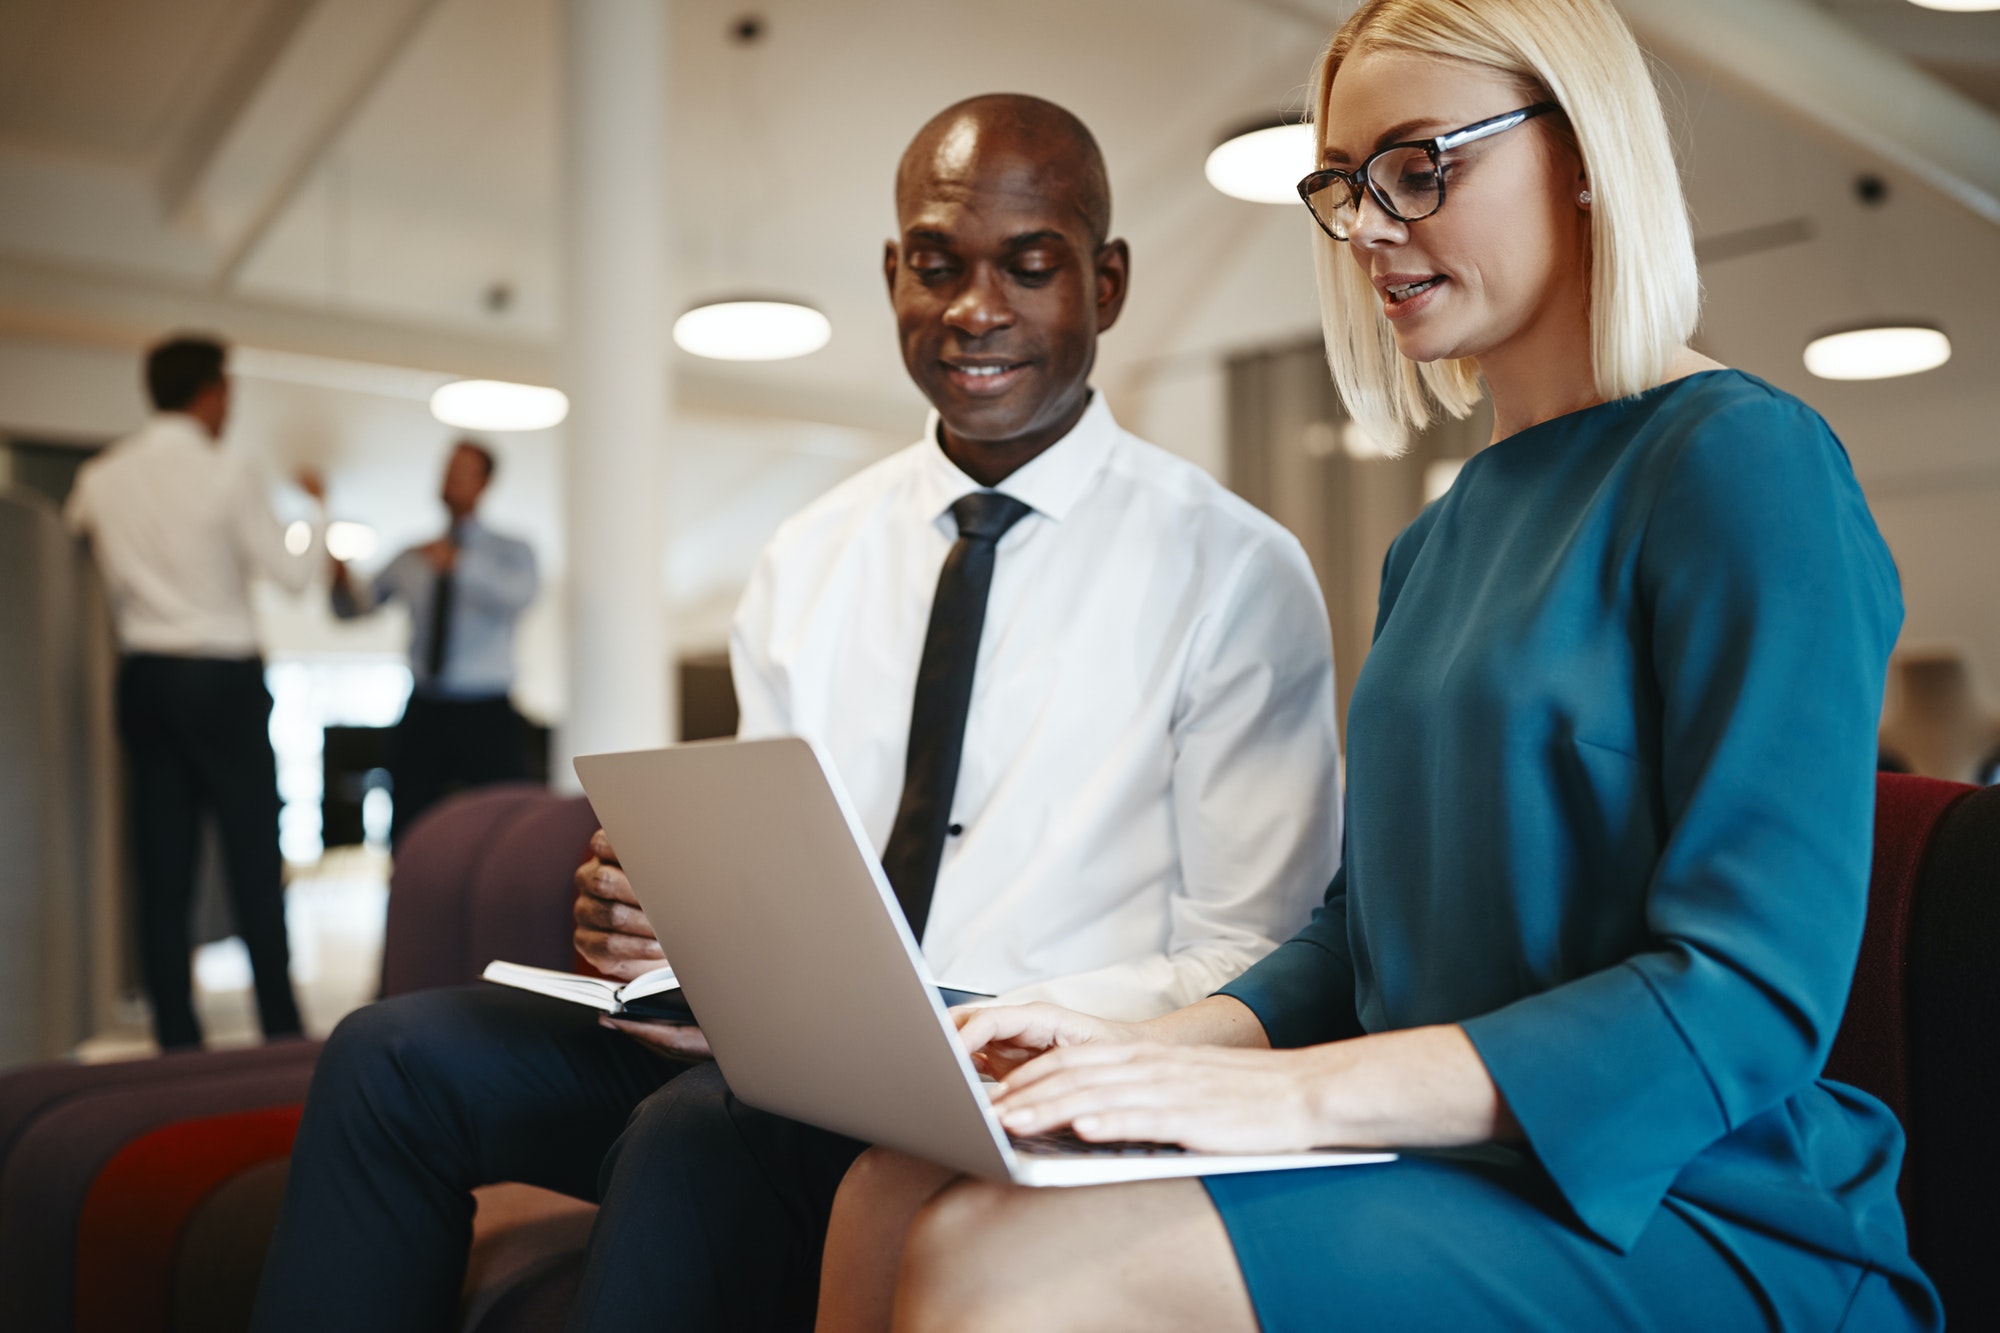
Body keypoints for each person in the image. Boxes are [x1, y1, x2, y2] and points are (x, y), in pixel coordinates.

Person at [816, 2, 1944, 1329]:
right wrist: (1134, 1048)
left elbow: (1748, 995)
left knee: (1005, 1259)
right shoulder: (1436, 541)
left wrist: (1284, 1093)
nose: (1365, 226)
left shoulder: (1741, 467)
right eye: (1343, 187)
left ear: (1580, 153)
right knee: (893, 1184)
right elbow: (1360, 937)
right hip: (1444, 1155)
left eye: (1419, 168)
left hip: (1694, 1194)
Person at [251, 94, 1342, 1332]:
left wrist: (959, 1024)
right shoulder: (807, 553)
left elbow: (1251, 954)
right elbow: (773, 875)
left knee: (700, 1132)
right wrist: (666, 934)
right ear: (893, 275)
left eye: (1027, 267)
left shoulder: (1234, 571)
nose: (975, 311)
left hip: (1027, 1068)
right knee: (387, 1058)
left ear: (1106, 281)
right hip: (775, 1058)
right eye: (936, 266)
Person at [64, 333, 316, 1051]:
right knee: (252, 863)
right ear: (209, 392)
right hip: (224, 681)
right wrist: (316, 515)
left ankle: (176, 1039)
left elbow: (73, 540)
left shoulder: (101, 476)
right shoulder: (229, 471)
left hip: (145, 680)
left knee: (162, 868)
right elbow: (293, 576)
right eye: (228, 390)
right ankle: (281, 1035)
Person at [330, 438, 539, 843]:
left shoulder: (511, 551)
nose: (450, 479)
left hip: (487, 710)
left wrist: (459, 563)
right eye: (448, 469)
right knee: (408, 821)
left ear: (484, 483)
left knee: (507, 825)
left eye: (463, 471)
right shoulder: (413, 555)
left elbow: (521, 597)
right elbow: (356, 608)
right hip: (426, 706)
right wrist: (338, 581)